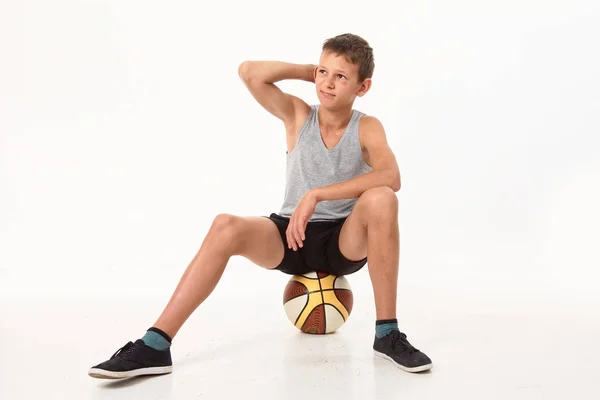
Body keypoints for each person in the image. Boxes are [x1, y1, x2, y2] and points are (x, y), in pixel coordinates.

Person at [88, 33, 433, 379]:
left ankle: (387, 334)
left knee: (383, 198)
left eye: (340, 77)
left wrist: (316, 195)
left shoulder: (367, 127)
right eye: (323, 72)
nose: (327, 83)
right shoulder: (299, 114)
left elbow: (392, 176)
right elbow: (249, 72)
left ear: (363, 87)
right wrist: (307, 71)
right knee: (225, 225)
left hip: (343, 240)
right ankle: (155, 345)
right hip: (291, 235)